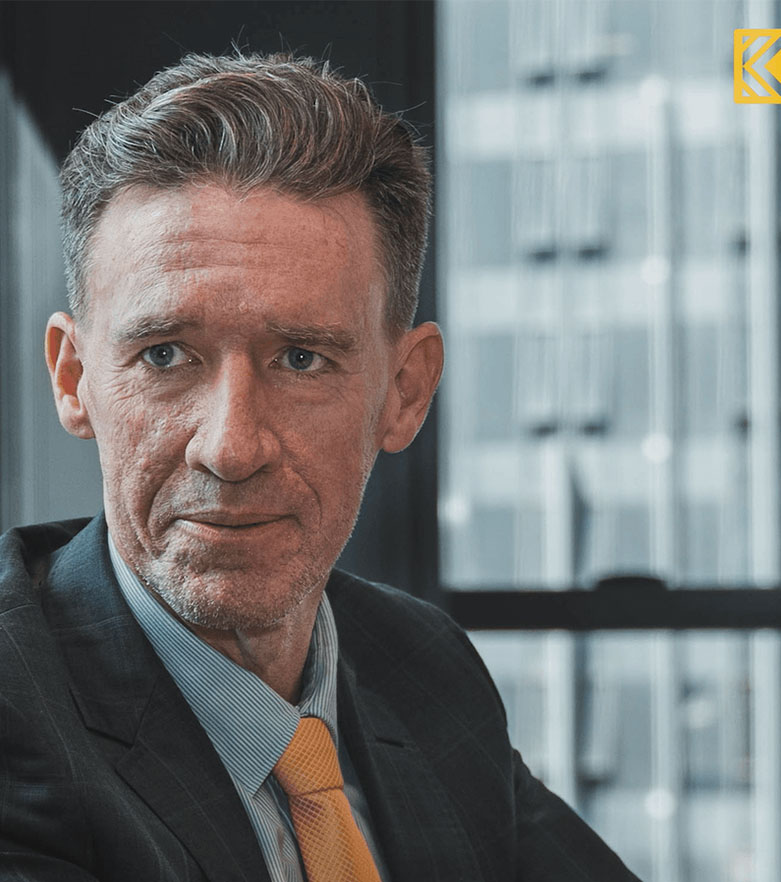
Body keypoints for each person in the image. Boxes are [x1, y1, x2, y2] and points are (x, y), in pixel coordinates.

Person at [0, 52, 640, 882]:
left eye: (301, 359)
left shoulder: (419, 664)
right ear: (74, 378)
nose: (230, 448)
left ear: (404, 392)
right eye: (165, 355)